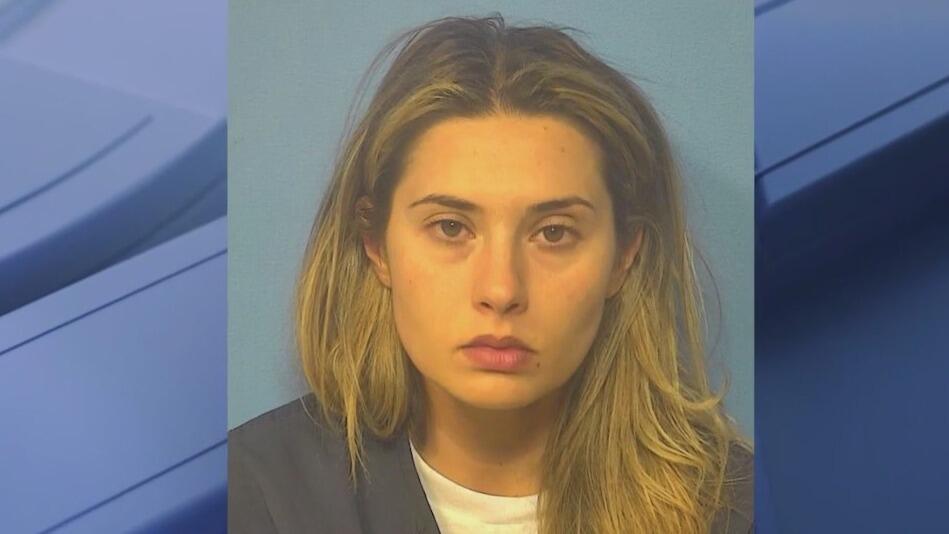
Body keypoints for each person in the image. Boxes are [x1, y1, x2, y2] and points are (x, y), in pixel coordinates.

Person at [229, 14, 752, 534]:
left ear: (624, 255)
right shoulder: (254, 497)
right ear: (376, 246)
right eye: (451, 227)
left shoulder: (731, 508)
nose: (500, 290)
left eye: (553, 233)